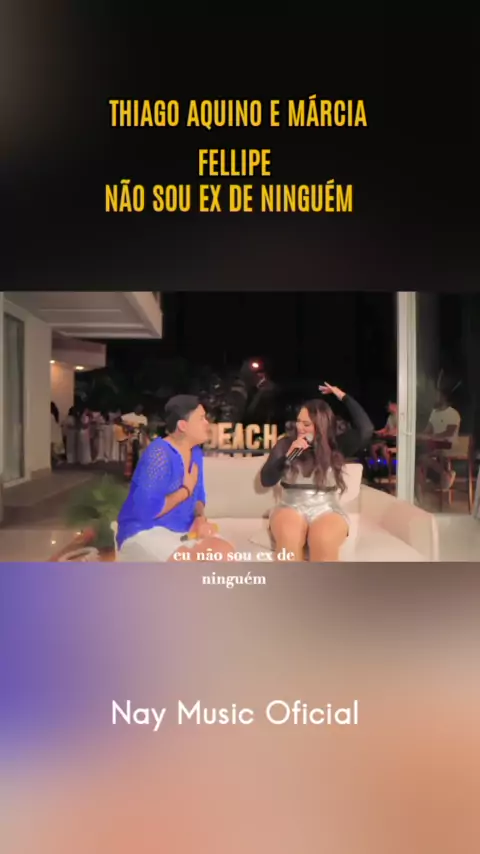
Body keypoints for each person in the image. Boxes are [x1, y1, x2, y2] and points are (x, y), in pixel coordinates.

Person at [259, 382, 373, 562]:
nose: (300, 427)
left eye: (306, 424)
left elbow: (366, 430)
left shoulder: (335, 446)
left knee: (323, 541)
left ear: (321, 426)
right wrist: (288, 457)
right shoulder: (286, 444)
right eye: (298, 421)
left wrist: (343, 396)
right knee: (289, 538)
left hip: (327, 508)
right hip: (290, 506)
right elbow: (266, 480)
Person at [117, 395, 234, 562]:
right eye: (201, 418)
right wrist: (185, 491)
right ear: (183, 425)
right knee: (188, 561)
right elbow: (146, 510)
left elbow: (199, 495)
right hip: (145, 529)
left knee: (225, 552)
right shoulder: (159, 453)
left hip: (184, 530)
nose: (207, 424)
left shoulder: (196, 452)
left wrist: (200, 519)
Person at [416, 390, 461, 493]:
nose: (434, 398)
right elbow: (428, 430)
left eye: (436, 396)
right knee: (419, 458)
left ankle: (444, 475)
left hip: (449, 446)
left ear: (444, 398)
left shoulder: (452, 413)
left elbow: (449, 432)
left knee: (423, 457)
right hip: (435, 445)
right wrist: (419, 435)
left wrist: (431, 436)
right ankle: (444, 475)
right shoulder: (434, 413)